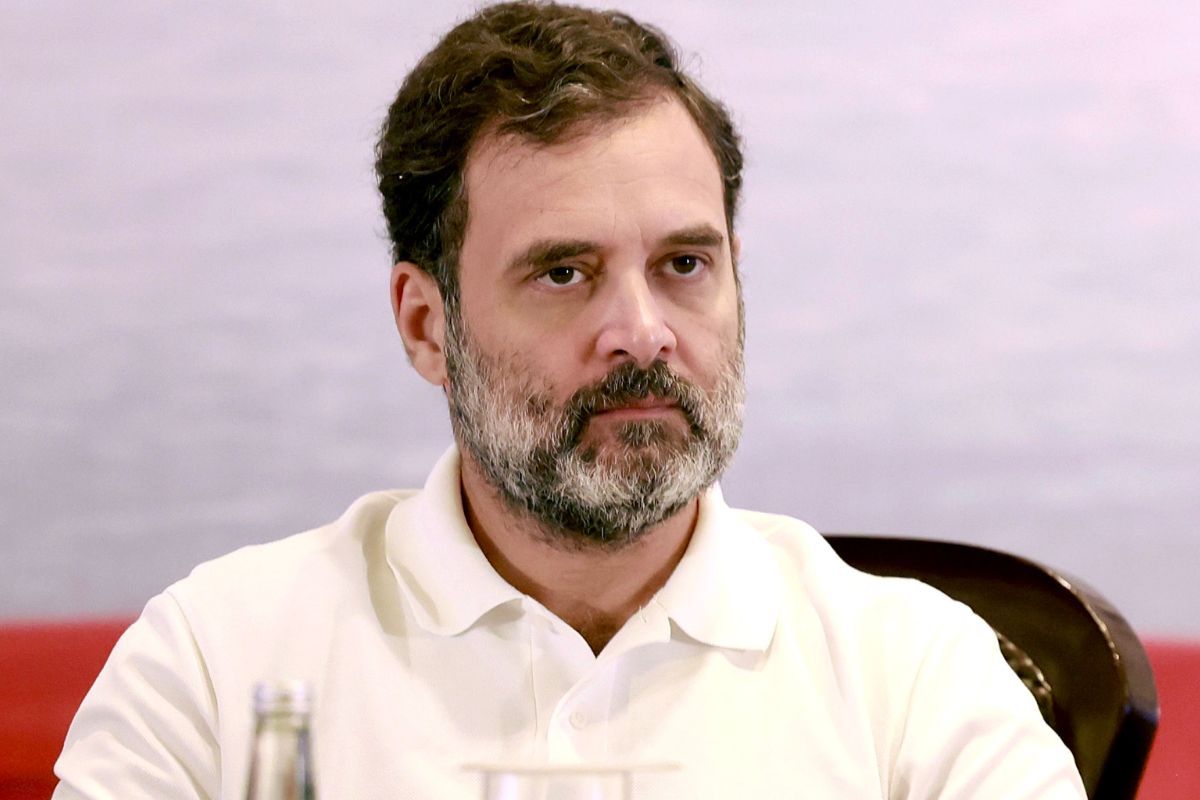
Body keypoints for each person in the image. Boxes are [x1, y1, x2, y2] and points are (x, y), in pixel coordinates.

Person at [53, 3, 1086, 798]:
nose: (642, 331)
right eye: (563, 272)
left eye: (684, 263)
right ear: (427, 325)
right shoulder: (219, 663)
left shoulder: (916, 681)